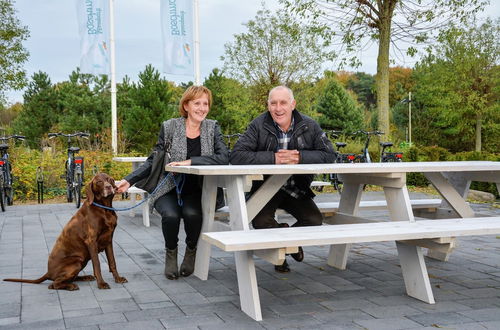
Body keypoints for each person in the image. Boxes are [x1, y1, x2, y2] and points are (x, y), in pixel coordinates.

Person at [116, 86, 229, 280]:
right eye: (197, 103)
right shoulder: (170, 127)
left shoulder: (212, 127)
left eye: (205, 104)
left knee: (192, 214)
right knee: (170, 215)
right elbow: (154, 159)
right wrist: (129, 179)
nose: (202, 108)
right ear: (186, 105)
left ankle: (191, 251)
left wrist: (190, 162)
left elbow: (224, 157)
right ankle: (171, 254)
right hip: (169, 187)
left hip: (199, 189)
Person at [230, 85, 335, 273]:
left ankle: (286, 242)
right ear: (268, 105)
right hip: (265, 188)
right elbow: (237, 155)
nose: (278, 108)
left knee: (314, 220)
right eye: (273, 103)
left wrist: (299, 157)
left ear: (293, 104)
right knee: (260, 222)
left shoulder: (309, 125)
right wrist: (273, 158)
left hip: (295, 187)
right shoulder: (258, 125)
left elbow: (330, 154)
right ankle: (285, 249)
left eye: (283, 103)